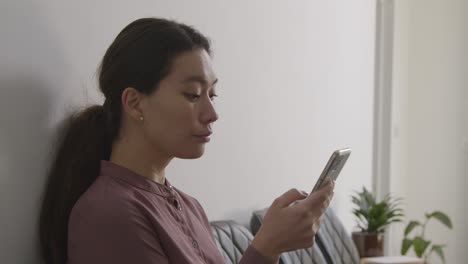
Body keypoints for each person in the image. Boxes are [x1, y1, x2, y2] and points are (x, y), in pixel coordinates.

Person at [38, 17, 335, 264]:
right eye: (193, 95)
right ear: (134, 103)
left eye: (212, 95)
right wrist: (267, 247)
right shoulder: (108, 213)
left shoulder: (188, 206)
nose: (212, 113)